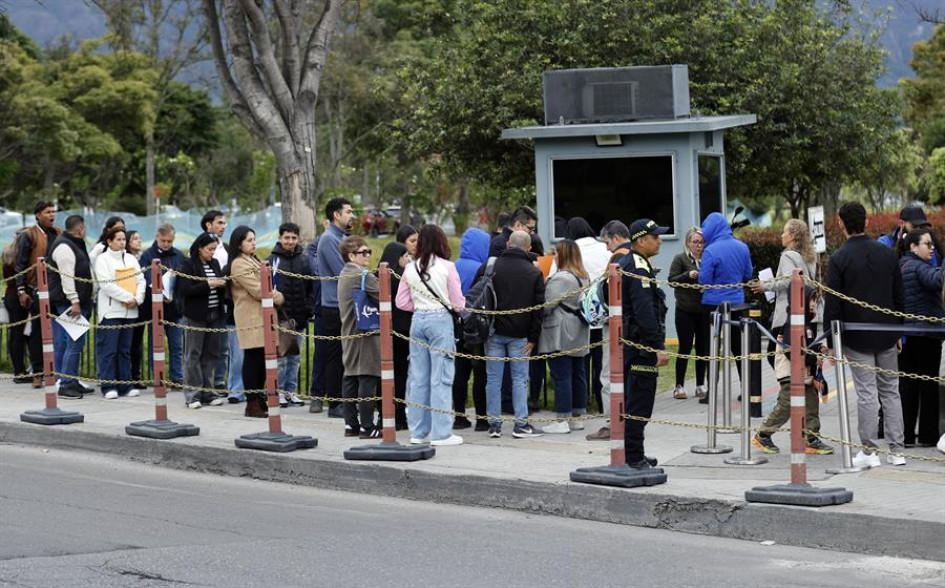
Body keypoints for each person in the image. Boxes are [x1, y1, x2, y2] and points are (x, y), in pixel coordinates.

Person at [823, 201, 906, 468]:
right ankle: (897, 450)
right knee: (891, 392)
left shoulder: (838, 259)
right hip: (887, 333)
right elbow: (899, 298)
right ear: (866, 222)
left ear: (841, 224)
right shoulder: (887, 254)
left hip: (856, 337)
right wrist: (898, 331)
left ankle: (870, 452)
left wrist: (831, 342)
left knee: (867, 393)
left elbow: (833, 304)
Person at [395, 224, 466, 446]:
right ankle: (442, 433)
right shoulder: (447, 267)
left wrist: (420, 304)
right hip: (440, 321)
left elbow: (401, 302)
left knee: (418, 378)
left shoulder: (410, 268)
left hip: (418, 320)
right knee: (441, 377)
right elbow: (457, 304)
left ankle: (418, 432)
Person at [752, 287, 834, 455]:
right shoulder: (791, 323)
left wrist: (819, 347)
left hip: (806, 374)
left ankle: (811, 438)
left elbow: (808, 344)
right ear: (800, 301)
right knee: (786, 406)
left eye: (815, 300)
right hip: (790, 374)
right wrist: (813, 359)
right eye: (811, 300)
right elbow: (792, 350)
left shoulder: (807, 324)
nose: (814, 304)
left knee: (811, 404)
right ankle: (763, 434)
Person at [482, 230, 545, 439]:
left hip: (493, 330)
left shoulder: (492, 267)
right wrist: (534, 338)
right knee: (520, 378)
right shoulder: (534, 272)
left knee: (493, 379)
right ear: (529, 248)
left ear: (508, 244)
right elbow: (538, 309)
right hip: (521, 334)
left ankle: (494, 424)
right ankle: (521, 423)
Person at [619, 219, 670, 470]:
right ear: (641, 240)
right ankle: (634, 457)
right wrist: (657, 345)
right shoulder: (637, 267)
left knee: (636, 400)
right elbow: (645, 312)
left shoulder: (633, 262)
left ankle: (634, 452)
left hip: (634, 344)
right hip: (641, 347)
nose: (659, 240)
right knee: (639, 403)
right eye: (655, 236)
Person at [229, 226, 285, 418]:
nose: (254, 243)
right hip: (251, 318)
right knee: (253, 360)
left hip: (263, 317)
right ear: (239, 244)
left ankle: (258, 397)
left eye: (254, 239)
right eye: (249, 240)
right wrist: (279, 297)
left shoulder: (253, 260)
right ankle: (251, 402)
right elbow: (259, 290)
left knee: (262, 360)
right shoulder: (238, 264)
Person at [586, 220, 633, 441]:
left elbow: (607, 290)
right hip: (632, 323)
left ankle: (610, 423)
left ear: (615, 237)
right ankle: (627, 419)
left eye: (606, 242)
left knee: (608, 374)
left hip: (614, 323)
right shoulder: (637, 255)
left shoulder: (617, 258)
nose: (606, 247)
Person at [751, 219, 820, 370]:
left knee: (773, 352)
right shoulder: (810, 256)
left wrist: (765, 285)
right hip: (809, 312)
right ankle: (804, 389)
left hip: (788, 314)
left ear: (793, 236)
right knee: (805, 354)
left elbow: (789, 280)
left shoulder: (788, 256)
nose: (781, 235)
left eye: (784, 232)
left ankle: (789, 390)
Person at [896, 229, 944, 447]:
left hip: (906, 336)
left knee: (907, 387)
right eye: (927, 244)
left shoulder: (901, 265)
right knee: (928, 386)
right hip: (926, 335)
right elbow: (936, 281)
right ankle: (928, 436)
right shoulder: (919, 267)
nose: (932, 247)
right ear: (914, 247)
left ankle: (905, 435)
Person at [539, 238, 590, 434]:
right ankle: (577, 417)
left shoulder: (561, 278)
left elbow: (546, 305)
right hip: (578, 329)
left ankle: (561, 419)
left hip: (561, 331)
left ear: (565, 255)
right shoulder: (583, 276)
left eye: (557, 253)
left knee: (561, 375)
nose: (554, 256)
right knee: (578, 374)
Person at [699, 211, 753, 387]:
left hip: (712, 305)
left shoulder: (710, 250)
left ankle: (711, 390)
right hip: (737, 302)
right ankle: (748, 388)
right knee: (739, 347)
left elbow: (704, 280)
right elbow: (748, 274)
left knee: (712, 347)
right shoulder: (742, 247)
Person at [338, 235, 382, 438]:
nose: (367, 256)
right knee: (367, 377)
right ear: (351, 255)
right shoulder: (362, 275)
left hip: (348, 330)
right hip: (366, 331)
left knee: (350, 377)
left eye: (369, 252)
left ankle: (351, 425)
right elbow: (384, 295)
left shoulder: (343, 273)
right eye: (363, 252)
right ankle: (367, 426)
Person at [177, 232, 228, 409]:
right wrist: (209, 284)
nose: (212, 252)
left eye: (214, 249)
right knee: (193, 354)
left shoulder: (214, 263)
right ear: (200, 248)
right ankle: (192, 394)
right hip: (196, 316)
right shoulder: (188, 264)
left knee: (211, 354)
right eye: (209, 249)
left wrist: (222, 283)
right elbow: (185, 290)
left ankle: (207, 391)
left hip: (214, 314)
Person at [94, 227, 146, 399]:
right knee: (109, 350)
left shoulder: (131, 258)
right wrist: (126, 297)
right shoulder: (102, 259)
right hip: (110, 312)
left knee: (125, 350)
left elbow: (140, 280)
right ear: (109, 241)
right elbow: (106, 284)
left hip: (130, 311)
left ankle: (125, 384)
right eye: (118, 239)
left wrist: (137, 298)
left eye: (124, 239)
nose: (122, 242)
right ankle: (109, 385)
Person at [14, 201, 62, 388]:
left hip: (57, 290)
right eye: (48, 212)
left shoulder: (58, 233)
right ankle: (38, 372)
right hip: (36, 290)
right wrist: (21, 290)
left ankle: (57, 371)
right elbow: (20, 264)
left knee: (58, 332)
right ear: (37, 215)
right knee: (37, 333)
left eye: (53, 212)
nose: (52, 215)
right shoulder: (29, 235)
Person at [47, 215, 94, 399]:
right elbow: (67, 278)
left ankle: (72, 381)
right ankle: (66, 384)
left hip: (79, 301)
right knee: (74, 344)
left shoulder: (73, 243)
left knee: (77, 343)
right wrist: (74, 301)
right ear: (80, 229)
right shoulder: (65, 247)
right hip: (70, 303)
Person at [317, 197, 354, 418]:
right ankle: (335, 403)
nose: (352, 216)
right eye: (348, 212)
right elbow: (345, 271)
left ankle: (344, 399)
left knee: (344, 355)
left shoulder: (341, 237)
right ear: (336, 215)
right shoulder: (330, 239)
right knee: (335, 356)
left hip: (343, 304)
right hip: (333, 305)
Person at [269, 222, 313, 407]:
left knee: (295, 357)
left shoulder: (304, 260)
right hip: (280, 317)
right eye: (287, 237)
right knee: (280, 358)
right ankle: (277, 392)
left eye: (294, 237)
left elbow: (310, 287)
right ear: (280, 238)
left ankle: (291, 391)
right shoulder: (272, 260)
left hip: (300, 316)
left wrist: (308, 309)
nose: (290, 241)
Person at [380, 224, 418, 429]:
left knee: (400, 374)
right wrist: (404, 268)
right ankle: (395, 415)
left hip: (400, 329)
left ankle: (398, 414)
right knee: (398, 374)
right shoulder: (395, 276)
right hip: (398, 330)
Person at [452, 227, 490, 431]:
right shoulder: (482, 267)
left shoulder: (453, 266)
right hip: (476, 326)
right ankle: (482, 420)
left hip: (456, 324)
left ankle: (459, 417)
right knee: (480, 373)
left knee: (460, 372)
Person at [139, 224, 186, 387]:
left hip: (174, 309)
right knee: (156, 346)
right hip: (155, 308)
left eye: (169, 241)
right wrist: (159, 293)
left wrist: (175, 296)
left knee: (177, 346)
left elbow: (183, 280)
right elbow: (145, 279)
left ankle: (177, 378)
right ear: (157, 237)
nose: (166, 244)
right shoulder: (147, 256)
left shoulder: (179, 255)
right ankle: (159, 379)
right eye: (163, 240)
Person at [668, 228, 708, 400]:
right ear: (688, 243)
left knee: (702, 348)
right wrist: (687, 274)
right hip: (685, 310)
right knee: (685, 347)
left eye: (701, 242)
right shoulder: (680, 258)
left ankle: (700, 385)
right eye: (695, 242)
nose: (698, 245)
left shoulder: (707, 258)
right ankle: (679, 386)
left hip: (703, 310)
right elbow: (671, 280)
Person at [201, 210, 231, 391]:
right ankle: (205, 383)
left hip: (223, 304)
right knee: (206, 349)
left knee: (223, 347)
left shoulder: (226, 247)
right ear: (208, 225)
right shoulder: (200, 246)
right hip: (204, 307)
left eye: (224, 223)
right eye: (220, 222)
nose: (223, 226)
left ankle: (220, 381)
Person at [3, 232, 32, 383]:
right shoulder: (21, 255)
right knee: (22, 334)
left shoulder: (7, 252)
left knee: (15, 334)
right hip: (20, 296)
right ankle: (20, 371)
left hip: (9, 294)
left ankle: (18, 369)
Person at [125, 230, 148, 390]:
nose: (138, 241)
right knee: (127, 342)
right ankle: (126, 376)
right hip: (127, 303)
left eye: (140, 238)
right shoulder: (125, 258)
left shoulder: (143, 257)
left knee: (137, 343)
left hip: (142, 305)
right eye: (134, 238)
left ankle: (136, 375)